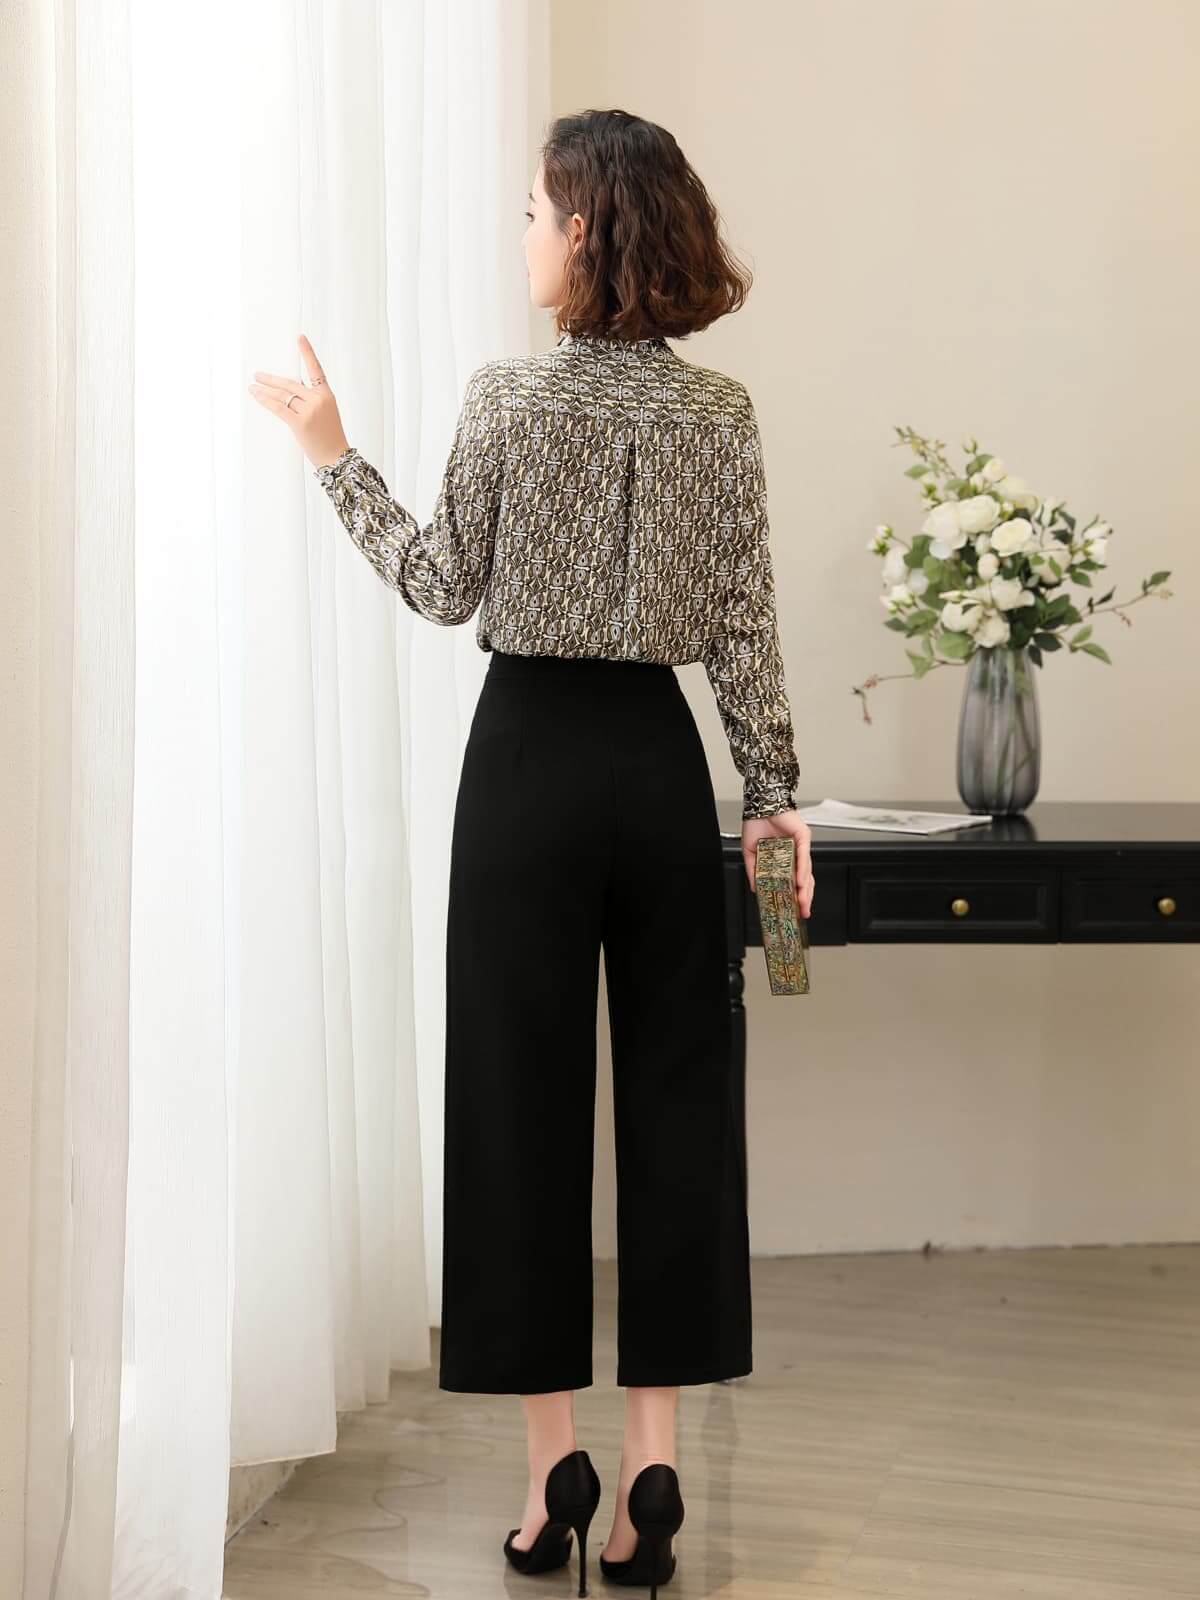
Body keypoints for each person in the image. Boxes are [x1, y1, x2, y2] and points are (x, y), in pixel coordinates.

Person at [249, 106, 814, 1599]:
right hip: (661, 770)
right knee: (681, 1106)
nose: (520, 235)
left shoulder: (508, 398)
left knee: (518, 1105)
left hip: (525, 773)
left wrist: (332, 455)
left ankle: (550, 1470)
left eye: (530, 211)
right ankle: (655, 1469)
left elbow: (445, 586)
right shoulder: (723, 416)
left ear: (583, 231)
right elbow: (745, 625)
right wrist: (773, 799)